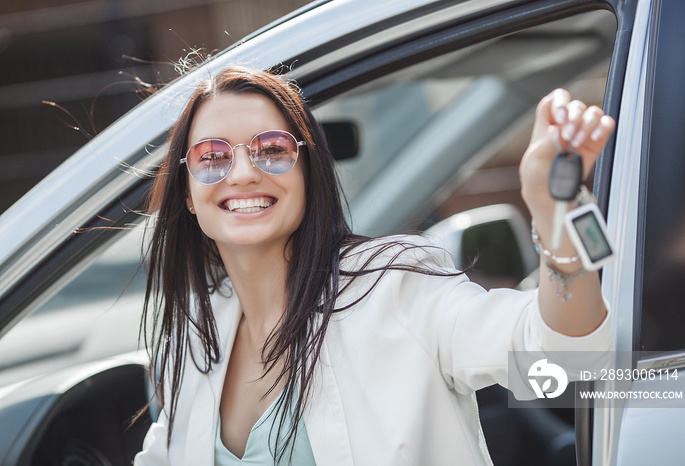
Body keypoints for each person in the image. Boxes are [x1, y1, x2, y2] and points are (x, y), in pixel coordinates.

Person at [133, 65, 615, 466]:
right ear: (188, 193)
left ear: (309, 172)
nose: (241, 172)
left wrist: (553, 213)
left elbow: (561, 355)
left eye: (272, 149)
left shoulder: (392, 285)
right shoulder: (197, 332)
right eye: (212, 155)